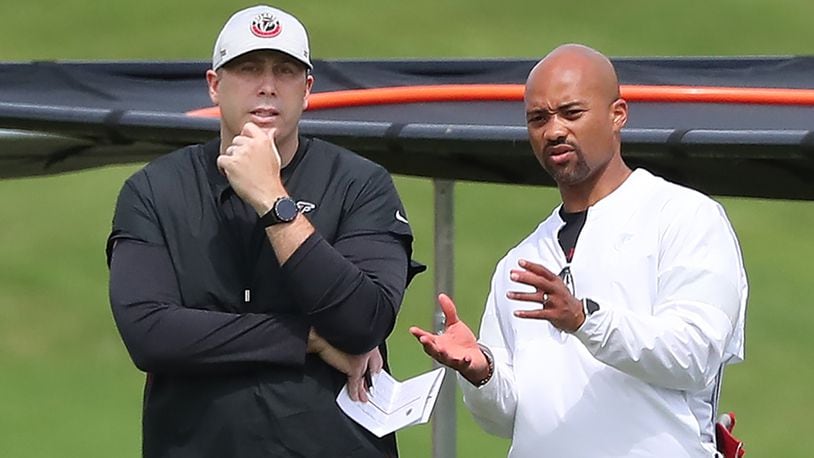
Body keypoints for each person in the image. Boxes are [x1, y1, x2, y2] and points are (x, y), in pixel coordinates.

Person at [106, 5, 420, 457]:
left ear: (307, 89)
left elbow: (362, 322)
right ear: (214, 85)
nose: (268, 85)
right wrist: (307, 338)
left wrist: (274, 203)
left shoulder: (360, 184)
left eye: (286, 71)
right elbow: (150, 334)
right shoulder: (154, 191)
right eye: (248, 69)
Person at [410, 44, 747, 457]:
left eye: (571, 113)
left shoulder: (685, 216)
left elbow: (695, 354)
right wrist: (483, 373)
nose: (553, 131)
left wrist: (586, 320)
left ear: (617, 114)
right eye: (538, 118)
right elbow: (506, 419)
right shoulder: (520, 260)